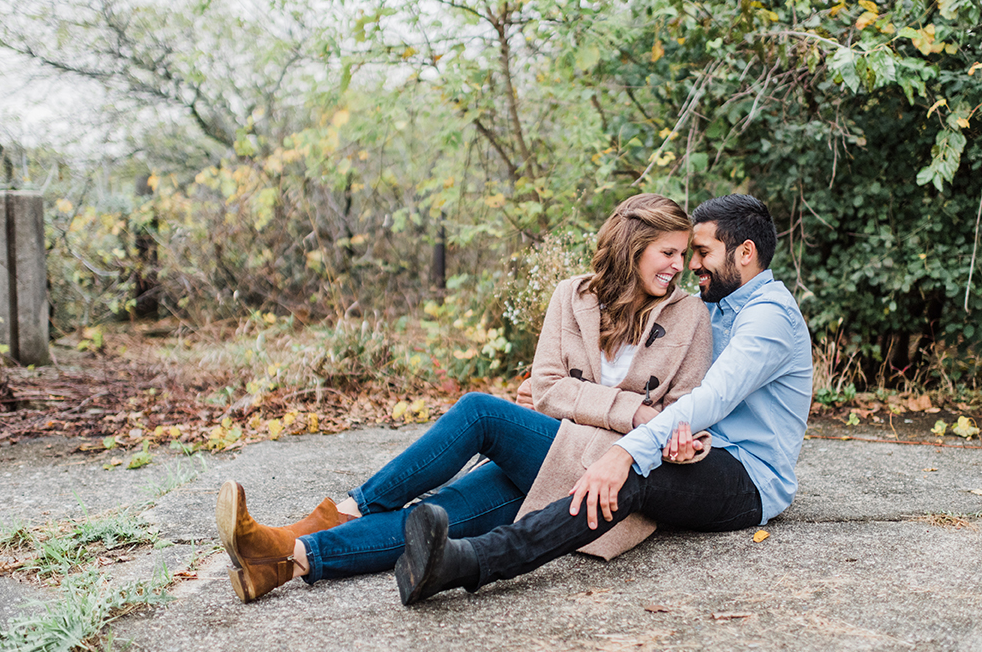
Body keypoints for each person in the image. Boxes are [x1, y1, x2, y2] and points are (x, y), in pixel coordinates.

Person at [215, 193, 714, 603]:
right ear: (633, 247)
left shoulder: (689, 316)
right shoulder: (573, 296)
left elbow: (680, 415)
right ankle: (284, 561)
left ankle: (343, 512)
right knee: (439, 517)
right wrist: (633, 410)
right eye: (667, 252)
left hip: (607, 471)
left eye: (682, 253)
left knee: (479, 413)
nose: (679, 266)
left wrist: (602, 408)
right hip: (555, 449)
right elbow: (546, 386)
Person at [394, 193, 813, 606]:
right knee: (606, 458)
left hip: (749, 478)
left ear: (745, 252)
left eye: (703, 252)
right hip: (695, 448)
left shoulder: (769, 318)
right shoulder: (720, 306)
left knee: (628, 476)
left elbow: (710, 400)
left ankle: (468, 562)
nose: (692, 265)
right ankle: (381, 523)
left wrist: (623, 454)